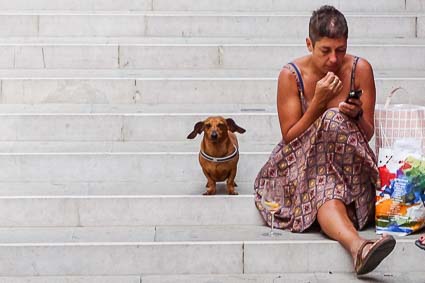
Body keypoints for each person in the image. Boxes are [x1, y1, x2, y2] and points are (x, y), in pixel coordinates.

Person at [254, 5, 396, 275]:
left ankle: (359, 248)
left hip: (348, 170)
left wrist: (355, 115)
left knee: (333, 133)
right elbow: (289, 137)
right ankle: (359, 247)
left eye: (340, 50)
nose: (334, 59)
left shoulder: (360, 69)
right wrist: (318, 105)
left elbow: (366, 134)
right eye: (326, 50)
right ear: (310, 44)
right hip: (303, 170)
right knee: (325, 180)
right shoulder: (291, 75)